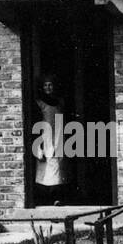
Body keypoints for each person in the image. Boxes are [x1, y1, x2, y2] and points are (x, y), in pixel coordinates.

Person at [33, 73, 72, 205]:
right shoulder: (40, 104)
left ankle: (58, 198)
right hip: (46, 139)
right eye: (45, 85)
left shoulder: (60, 102)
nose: (48, 88)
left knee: (60, 170)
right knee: (46, 171)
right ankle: (47, 200)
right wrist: (38, 144)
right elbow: (37, 125)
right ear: (42, 87)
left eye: (50, 85)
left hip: (60, 138)